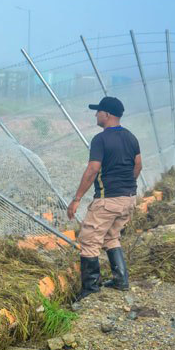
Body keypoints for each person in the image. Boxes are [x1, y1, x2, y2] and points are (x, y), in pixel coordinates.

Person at [67, 97, 142, 301]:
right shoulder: (131, 137)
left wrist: (76, 199)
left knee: (89, 240)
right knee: (111, 236)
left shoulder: (100, 139)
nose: (95, 115)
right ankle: (121, 279)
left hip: (107, 200)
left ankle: (90, 289)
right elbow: (138, 165)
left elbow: (92, 170)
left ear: (107, 114)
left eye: (98, 111)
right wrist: (126, 186)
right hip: (128, 198)